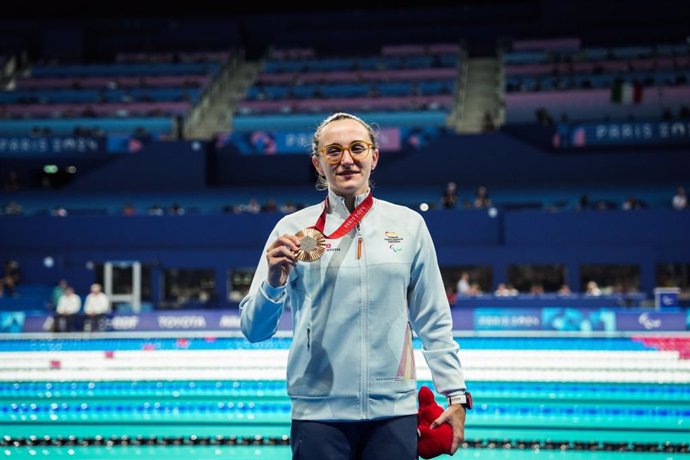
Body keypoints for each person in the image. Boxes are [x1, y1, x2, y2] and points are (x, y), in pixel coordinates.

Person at [239, 112, 469, 460]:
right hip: (319, 415)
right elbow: (254, 331)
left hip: (393, 413)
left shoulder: (408, 225)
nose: (346, 159)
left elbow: (433, 318)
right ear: (318, 163)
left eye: (357, 148)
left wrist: (455, 394)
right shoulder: (292, 230)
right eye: (333, 151)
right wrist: (273, 285)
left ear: (374, 157)